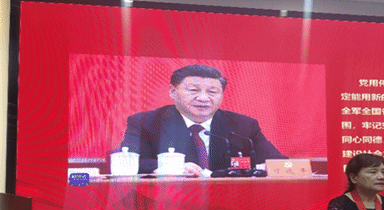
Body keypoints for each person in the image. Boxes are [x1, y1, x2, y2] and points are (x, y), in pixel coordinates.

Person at [120, 64, 286, 175]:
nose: (204, 98)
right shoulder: (146, 123)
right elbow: (127, 162)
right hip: (171, 203)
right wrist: (172, 167)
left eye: (212, 92)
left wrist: (267, 168)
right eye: (194, 90)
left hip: (230, 203)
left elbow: (278, 162)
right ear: (172, 92)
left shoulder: (244, 126)